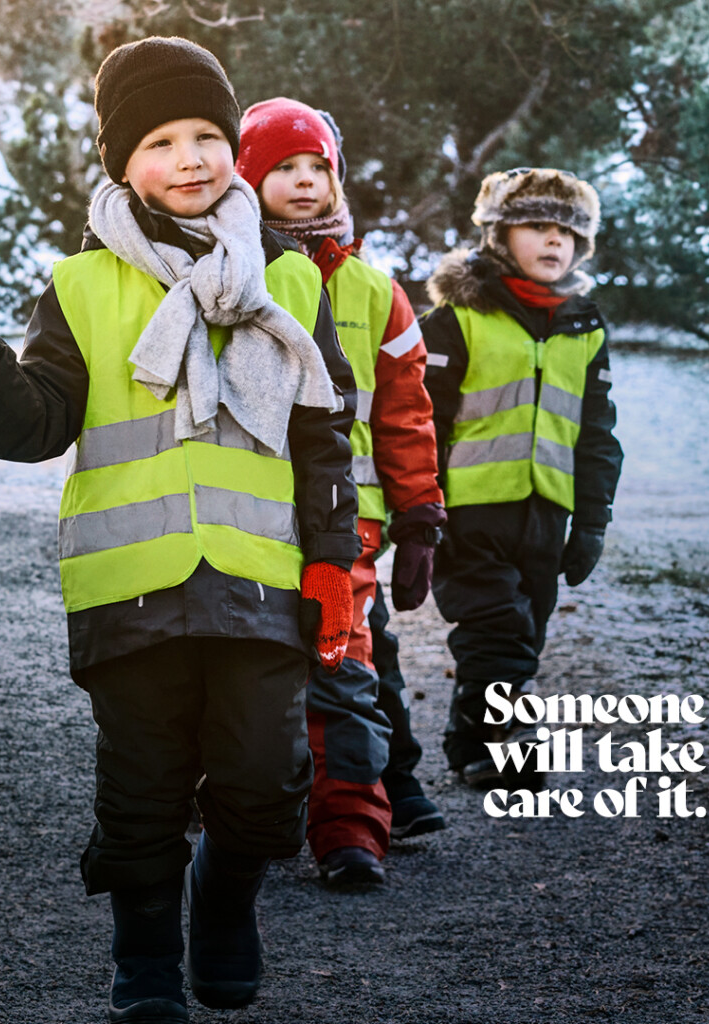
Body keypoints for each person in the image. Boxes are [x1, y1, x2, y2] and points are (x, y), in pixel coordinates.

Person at [0, 36, 361, 1024]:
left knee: (267, 785)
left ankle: (223, 904)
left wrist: (335, 569)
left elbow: (324, 439)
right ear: (122, 163)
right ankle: (143, 960)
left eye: (209, 135)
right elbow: (31, 425)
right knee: (142, 794)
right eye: (161, 140)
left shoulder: (292, 284)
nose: (189, 157)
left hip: (262, 582)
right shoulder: (80, 289)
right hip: (127, 586)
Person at [236, 98, 447, 887]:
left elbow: (405, 413)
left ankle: (352, 831)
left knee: (345, 675)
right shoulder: (229, 275)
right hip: (247, 520)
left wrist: (420, 514)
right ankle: (241, 820)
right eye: (281, 168)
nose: (301, 182)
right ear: (248, 181)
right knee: (246, 683)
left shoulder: (375, 291)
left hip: (348, 530)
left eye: (316, 168)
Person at [419, 167, 624, 792]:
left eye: (567, 231)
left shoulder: (582, 329)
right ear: (499, 235)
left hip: (546, 515)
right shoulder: (458, 320)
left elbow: (596, 435)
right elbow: (422, 419)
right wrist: (421, 506)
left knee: (524, 628)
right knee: (495, 626)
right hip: (469, 511)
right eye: (537, 226)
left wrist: (591, 522)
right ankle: (507, 737)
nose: (554, 241)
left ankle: (472, 743)